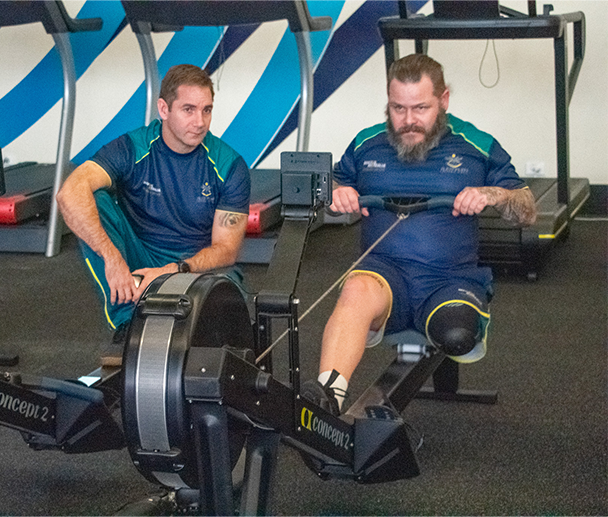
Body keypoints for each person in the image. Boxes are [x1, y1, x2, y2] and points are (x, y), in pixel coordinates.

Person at [302, 53, 537, 416]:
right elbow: (329, 187)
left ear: (443, 100)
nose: (408, 120)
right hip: (384, 275)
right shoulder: (367, 143)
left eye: (421, 108)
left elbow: (526, 210)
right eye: (398, 108)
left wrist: (492, 194)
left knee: (455, 335)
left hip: (449, 278)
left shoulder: (476, 144)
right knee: (355, 288)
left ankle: (445, 344)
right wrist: (335, 192)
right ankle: (325, 401)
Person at [57, 64, 251, 363]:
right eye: (188, 109)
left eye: (207, 110)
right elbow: (68, 192)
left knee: (217, 335)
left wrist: (171, 271)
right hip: (140, 261)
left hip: (198, 267)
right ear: (163, 108)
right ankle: (128, 323)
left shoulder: (228, 165)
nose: (200, 122)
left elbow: (226, 251)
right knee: (89, 195)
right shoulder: (133, 147)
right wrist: (113, 259)